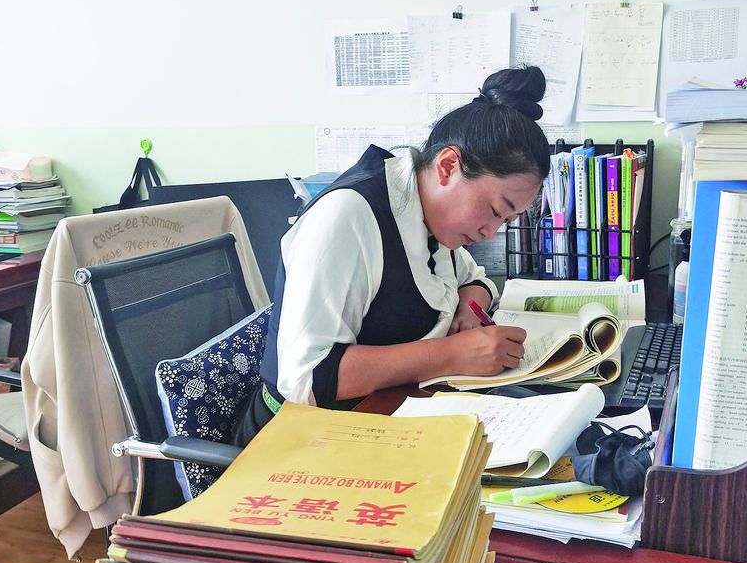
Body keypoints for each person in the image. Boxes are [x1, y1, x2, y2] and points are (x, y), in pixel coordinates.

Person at [233, 66, 551, 445]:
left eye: (507, 221)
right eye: (496, 211)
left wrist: (467, 314)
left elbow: (475, 281)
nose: (491, 233)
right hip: (299, 440)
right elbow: (308, 379)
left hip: (388, 417)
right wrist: (449, 354)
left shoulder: (431, 214)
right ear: (448, 166)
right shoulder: (348, 216)